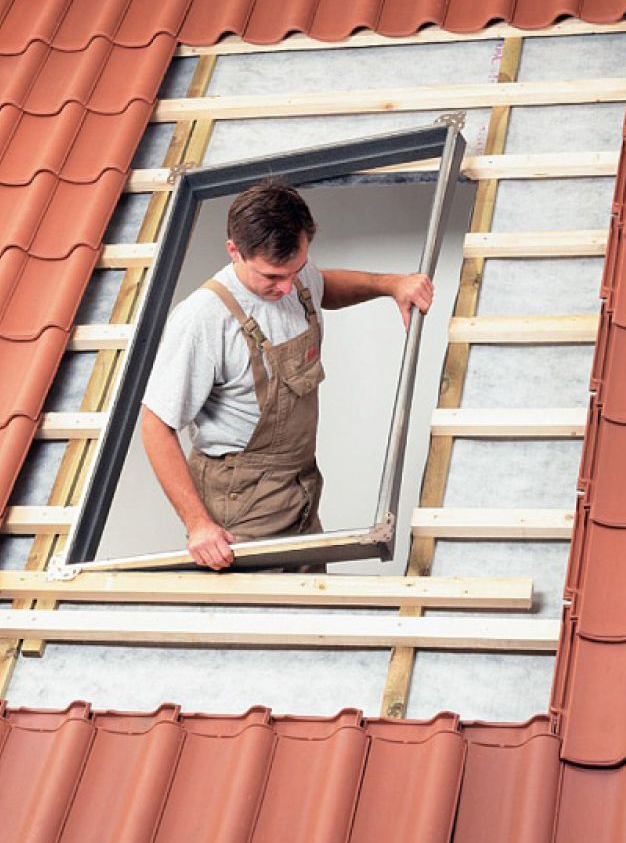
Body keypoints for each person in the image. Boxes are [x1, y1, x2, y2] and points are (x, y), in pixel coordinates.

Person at [141, 180, 433, 570]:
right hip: (242, 507)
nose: (287, 286)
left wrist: (390, 284)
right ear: (234, 251)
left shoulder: (295, 275)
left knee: (311, 614)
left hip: (301, 488)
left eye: (294, 271)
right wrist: (198, 525)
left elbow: (323, 284)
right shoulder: (203, 320)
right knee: (257, 621)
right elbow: (154, 425)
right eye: (271, 277)